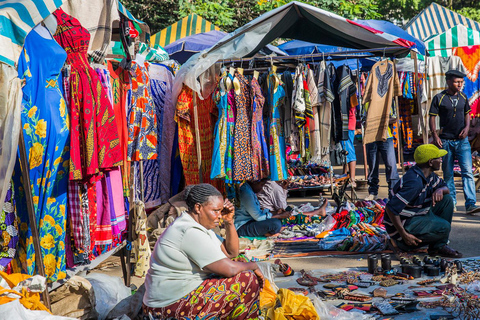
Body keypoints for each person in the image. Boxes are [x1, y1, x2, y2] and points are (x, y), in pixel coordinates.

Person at [143, 184, 263, 320]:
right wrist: (254, 265)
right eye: (215, 211)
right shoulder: (188, 231)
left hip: (172, 300)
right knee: (246, 279)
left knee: (241, 262)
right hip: (167, 307)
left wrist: (229, 222)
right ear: (198, 208)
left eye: (221, 210)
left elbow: (231, 253)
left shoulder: (198, 226)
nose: (219, 216)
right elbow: (229, 269)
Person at [384, 144, 462, 258]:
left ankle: (438, 247)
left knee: (447, 200)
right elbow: (391, 209)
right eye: (438, 158)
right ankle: (400, 243)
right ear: (430, 162)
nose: (441, 160)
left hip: (418, 213)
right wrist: (403, 234)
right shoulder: (414, 183)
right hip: (405, 221)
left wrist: (440, 189)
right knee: (444, 227)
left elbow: (446, 188)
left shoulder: (429, 175)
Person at [429, 69, 480, 214]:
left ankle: (470, 204)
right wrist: (435, 135)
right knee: (448, 173)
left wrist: (467, 127)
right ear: (449, 82)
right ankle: (452, 202)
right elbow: (432, 117)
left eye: (461, 82)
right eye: (457, 82)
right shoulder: (439, 98)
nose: (460, 84)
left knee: (467, 172)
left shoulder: (463, 97)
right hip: (445, 141)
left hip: (462, 141)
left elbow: (467, 114)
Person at [364, 116, 400, 200]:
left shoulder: (387, 103)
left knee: (391, 165)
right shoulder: (366, 103)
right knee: (372, 166)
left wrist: (381, 121)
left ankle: (393, 192)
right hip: (371, 137)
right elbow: (363, 120)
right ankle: (373, 192)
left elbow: (394, 119)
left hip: (386, 137)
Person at [256, 180, 328, 216]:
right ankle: (315, 212)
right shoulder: (273, 186)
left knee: (292, 210)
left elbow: (281, 203)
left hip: (270, 212)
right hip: (270, 214)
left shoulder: (272, 185)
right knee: (289, 213)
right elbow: (283, 208)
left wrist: (284, 189)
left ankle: (315, 212)